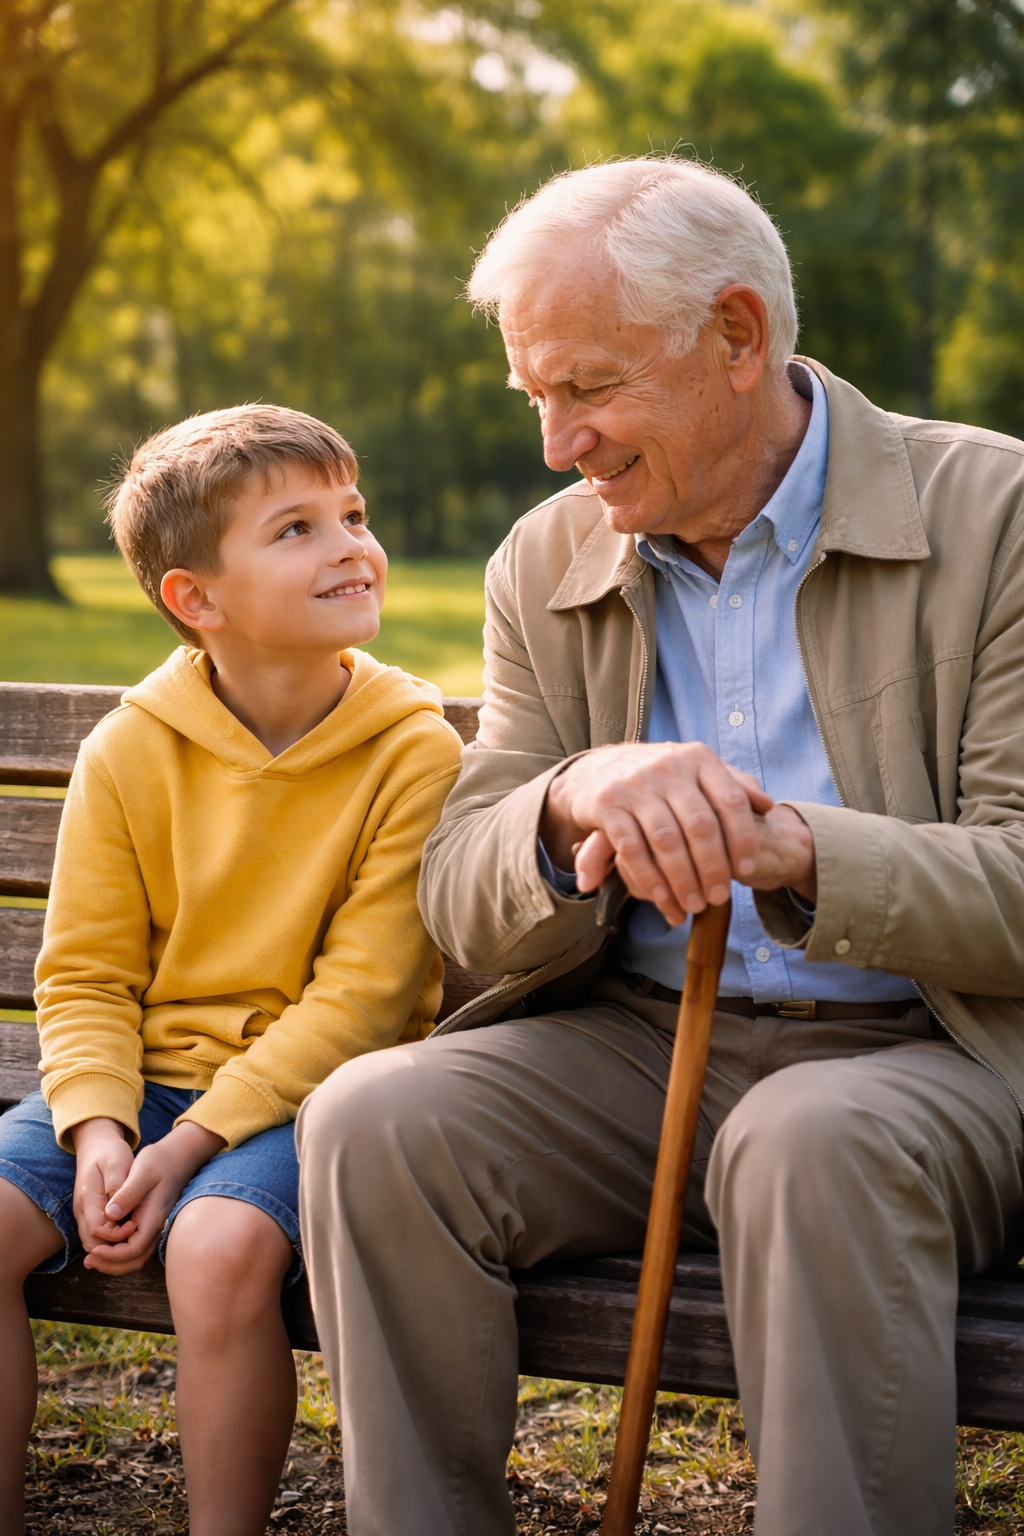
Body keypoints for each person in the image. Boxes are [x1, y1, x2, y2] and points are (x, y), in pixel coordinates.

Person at [297, 158, 1024, 1536]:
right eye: (537, 398)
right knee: (374, 1123)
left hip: (941, 1050)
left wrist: (795, 848)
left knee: (805, 1141)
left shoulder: (999, 517)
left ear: (738, 337)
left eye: (589, 387)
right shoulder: (545, 559)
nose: (557, 442)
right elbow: (459, 894)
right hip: (637, 1046)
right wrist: (570, 800)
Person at [0, 404, 463, 1536]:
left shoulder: (414, 748)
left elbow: (363, 1002)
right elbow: (86, 977)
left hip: (305, 1103)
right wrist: (103, 1131)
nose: (351, 545)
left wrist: (192, 1145)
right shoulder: (130, 749)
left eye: (351, 514)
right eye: (296, 529)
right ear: (195, 600)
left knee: (213, 1251)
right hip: (139, 1090)